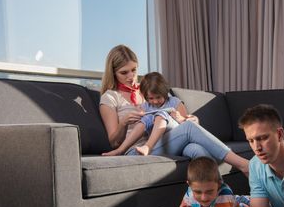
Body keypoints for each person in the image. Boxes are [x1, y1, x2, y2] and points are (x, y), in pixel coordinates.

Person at [99, 45, 248, 174]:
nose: (131, 76)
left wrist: (192, 119)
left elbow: (179, 118)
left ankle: (220, 196)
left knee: (197, 150)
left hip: (166, 139)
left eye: (134, 70)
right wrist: (123, 123)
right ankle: (244, 165)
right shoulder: (110, 97)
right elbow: (114, 142)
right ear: (113, 73)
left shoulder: (149, 89)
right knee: (189, 130)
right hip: (135, 149)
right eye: (124, 72)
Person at [163, 156, 251, 207]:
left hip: (245, 205)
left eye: (209, 191)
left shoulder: (224, 196)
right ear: (189, 185)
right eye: (198, 192)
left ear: (219, 184)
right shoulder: (189, 194)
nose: (204, 198)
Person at [103, 72, 185, 156]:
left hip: (174, 135)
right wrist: (137, 116)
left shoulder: (175, 102)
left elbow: (186, 124)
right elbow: (142, 124)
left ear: (164, 93)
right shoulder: (145, 106)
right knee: (193, 149)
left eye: (159, 97)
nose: (155, 101)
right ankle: (121, 149)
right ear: (145, 97)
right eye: (151, 98)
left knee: (160, 115)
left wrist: (180, 119)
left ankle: (148, 147)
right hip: (159, 142)